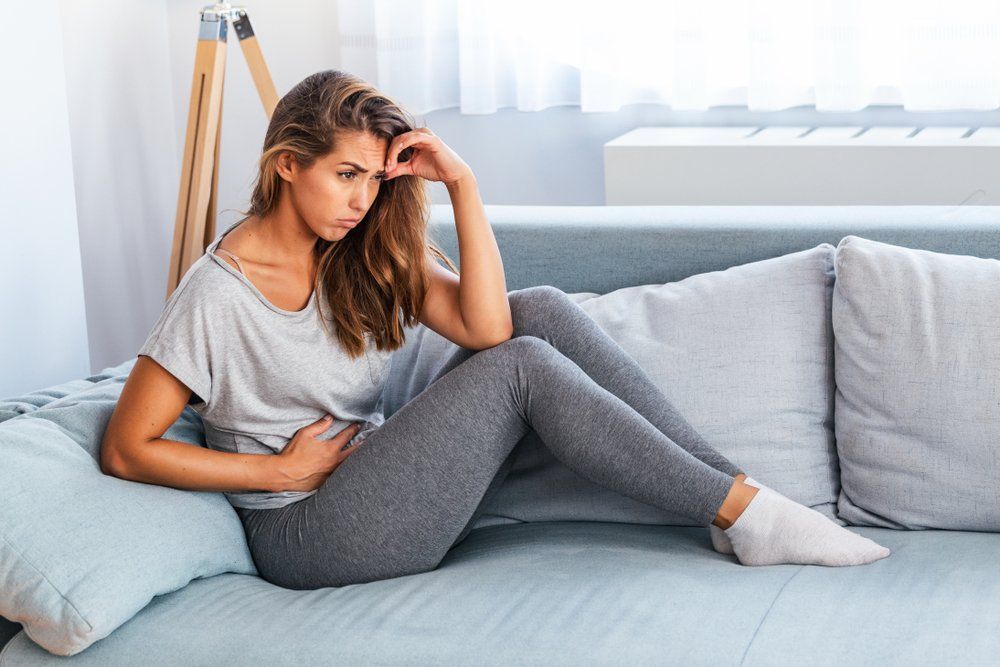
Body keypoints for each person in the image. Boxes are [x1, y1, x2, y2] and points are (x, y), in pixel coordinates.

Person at [100, 69, 890, 590]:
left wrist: (463, 184)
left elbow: (487, 324)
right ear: (285, 165)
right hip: (308, 532)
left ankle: (743, 502)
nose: (362, 200)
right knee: (523, 368)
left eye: (376, 181)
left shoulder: (357, 249)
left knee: (536, 309)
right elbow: (127, 446)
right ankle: (747, 512)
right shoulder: (217, 293)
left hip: (381, 482)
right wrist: (274, 476)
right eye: (346, 174)